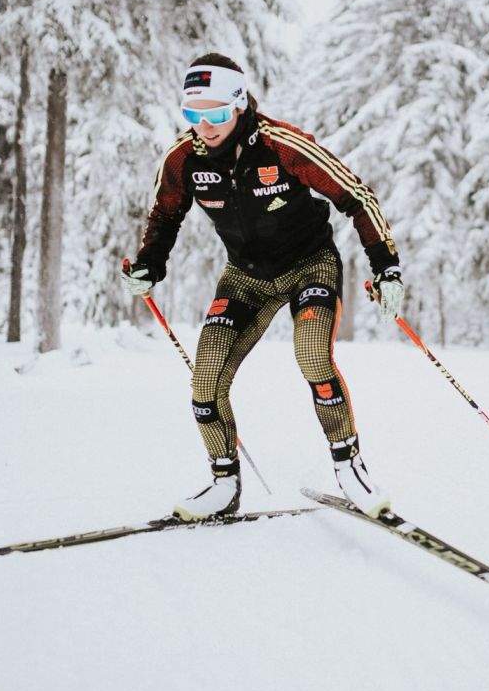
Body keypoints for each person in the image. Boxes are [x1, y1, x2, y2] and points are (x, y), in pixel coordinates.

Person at [121, 53, 405, 522]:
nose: (204, 126)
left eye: (215, 113)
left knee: (312, 353)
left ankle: (350, 467)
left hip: (309, 265)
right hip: (245, 277)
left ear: (238, 103)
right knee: (204, 381)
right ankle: (223, 485)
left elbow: (357, 197)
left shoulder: (283, 146)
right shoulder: (183, 158)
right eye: (193, 114)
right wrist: (150, 264)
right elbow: (165, 214)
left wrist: (386, 267)